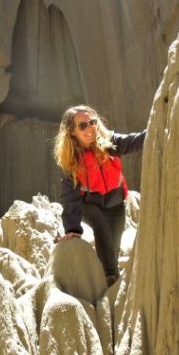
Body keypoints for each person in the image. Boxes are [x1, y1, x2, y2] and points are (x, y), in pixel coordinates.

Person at [54, 105, 146, 285]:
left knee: (113, 242)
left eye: (92, 122)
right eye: (83, 126)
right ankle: (111, 277)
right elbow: (69, 197)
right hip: (89, 203)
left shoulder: (109, 143)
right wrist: (72, 229)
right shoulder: (70, 159)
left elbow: (132, 142)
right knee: (101, 225)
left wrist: (155, 128)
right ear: (72, 132)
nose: (90, 128)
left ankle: (106, 270)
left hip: (115, 201)